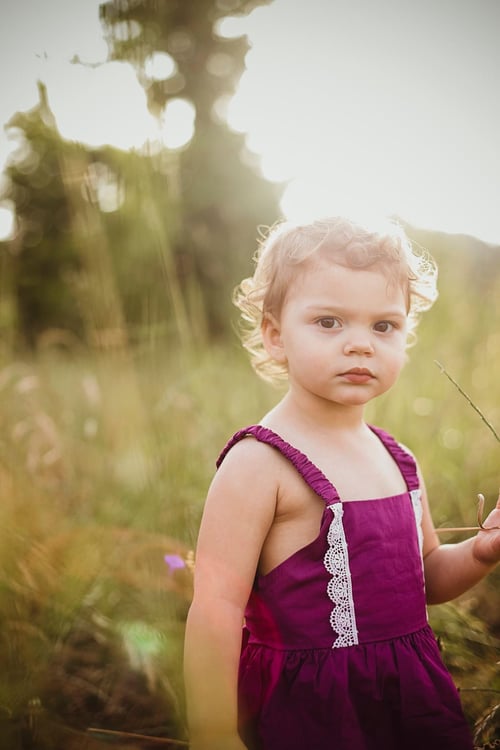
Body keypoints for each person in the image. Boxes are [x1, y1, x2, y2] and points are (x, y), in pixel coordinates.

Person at [183, 216, 500, 750]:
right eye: (329, 322)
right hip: (312, 711)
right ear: (275, 335)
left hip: (410, 698)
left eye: (383, 326)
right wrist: (213, 731)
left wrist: (482, 551)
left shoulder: (398, 458)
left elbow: (428, 579)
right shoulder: (260, 463)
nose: (360, 345)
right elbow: (216, 607)